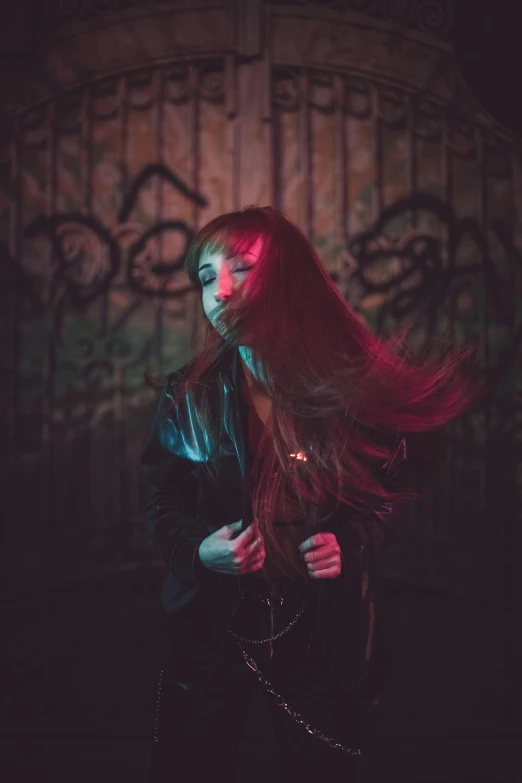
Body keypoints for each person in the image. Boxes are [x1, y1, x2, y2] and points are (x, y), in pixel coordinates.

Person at [140, 206, 481, 782]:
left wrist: (350, 543)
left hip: (319, 633)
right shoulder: (190, 396)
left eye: (242, 269)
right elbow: (161, 500)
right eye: (205, 277)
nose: (219, 291)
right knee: (192, 760)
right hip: (214, 629)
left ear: (288, 278)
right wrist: (199, 552)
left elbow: (385, 490)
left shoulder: (346, 392)